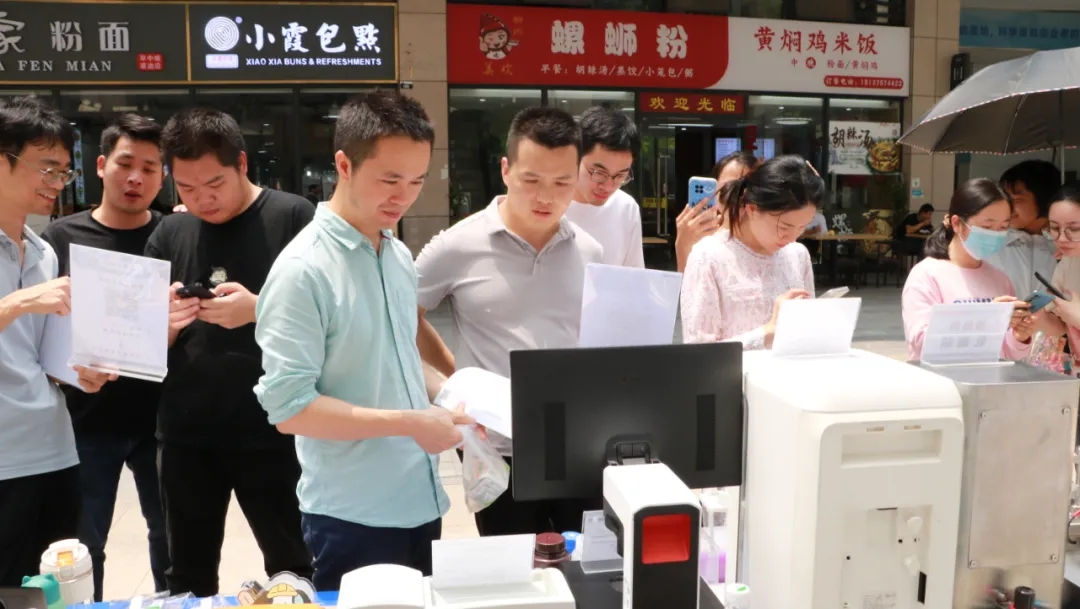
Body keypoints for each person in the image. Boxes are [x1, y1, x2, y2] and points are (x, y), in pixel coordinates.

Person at [253, 91, 473, 591]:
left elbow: (396, 359)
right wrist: (410, 423)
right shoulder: (303, 270)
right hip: (352, 515)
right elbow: (290, 410)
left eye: (416, 181)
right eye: (390, 180)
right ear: (344, 165)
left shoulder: (395, 254)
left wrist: (455, 396)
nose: (404, 197)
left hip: (419, 498)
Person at [146, 107, 314, 596]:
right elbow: (141, 338)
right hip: (187, 434)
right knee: (187, 575)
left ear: (242, 164)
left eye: (214, 183)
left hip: (276, 429)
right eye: (186, 187)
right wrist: (164, 327)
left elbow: (334, 316)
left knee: (294, 568)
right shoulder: (170, 233)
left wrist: (260, 310)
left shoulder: (294, 217)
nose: (202, 198)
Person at [414, 107, 603, 536]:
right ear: (505, 170)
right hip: (495, 445)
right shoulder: (457, 245)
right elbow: (397, 319)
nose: (546, 197)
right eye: (531, 180)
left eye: (562, 183)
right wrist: (449, 383)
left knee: (584, 559)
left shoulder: (590, 251)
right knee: (511, 563)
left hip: (576, 444)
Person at [39, 114, 169, 602]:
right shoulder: (60, 238)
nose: (136, 178)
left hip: (162, 420)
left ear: (163, 176)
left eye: (150, 168)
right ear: (100, 165)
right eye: (125, 164)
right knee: (84, 544)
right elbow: (45, 330)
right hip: (86, 420)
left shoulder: (174, 235)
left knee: (170, 538)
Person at [0, 95, 115, 586]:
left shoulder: (44, 252)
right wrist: (18, 302)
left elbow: (41, 358)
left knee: (61, 588)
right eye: (46, 168)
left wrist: (80, 374)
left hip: (54, 448)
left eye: (64, 172)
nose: (57, 182)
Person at [680, 155, 822, 349]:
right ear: (752, 209)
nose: (792, 237)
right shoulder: (708, 257)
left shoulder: (798, 255)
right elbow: (700, 352)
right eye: (784, 226)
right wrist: (767, 333)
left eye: (802, 227)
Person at [901, 178, 1037, 361]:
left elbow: (1005, 352)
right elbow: (920, 341)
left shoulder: (1000, 279)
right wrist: (985, 318)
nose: (995, 234)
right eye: (987, 226)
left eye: (1003, 227)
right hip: (941, 378)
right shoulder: (926, 275)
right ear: (957, 223)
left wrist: (1020, 337)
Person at [564, 106, 643, 268]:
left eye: (620, 175)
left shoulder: (626, 208)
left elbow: (633, 275)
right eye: (599, 173)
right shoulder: (548, 203)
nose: (608, 186)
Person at [674, 150, 756, 272]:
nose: (736, 198)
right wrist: (683, 248)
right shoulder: (701, 238)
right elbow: (687, 283)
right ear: (714, 193)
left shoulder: (772, 241)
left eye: (745, 190)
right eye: (728, 189)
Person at [987, 160, 1060, 296]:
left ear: (1044, 198)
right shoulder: (993, 243)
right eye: (1005, 199)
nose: (1008, 207)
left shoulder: (1065, 244)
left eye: (1017, 200)